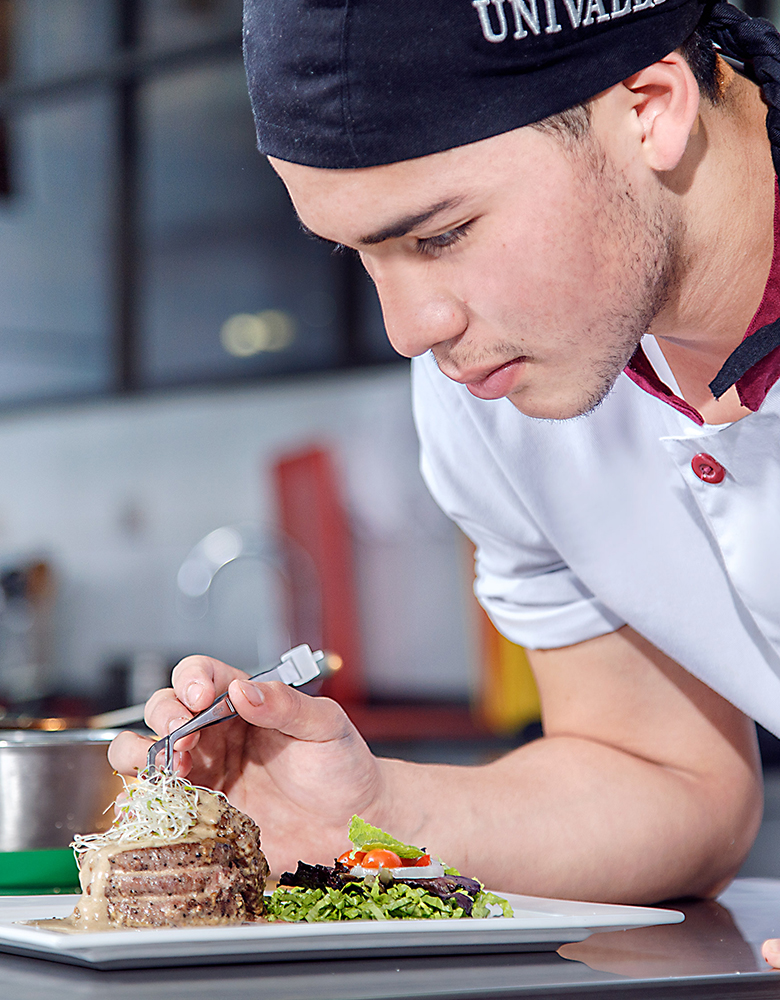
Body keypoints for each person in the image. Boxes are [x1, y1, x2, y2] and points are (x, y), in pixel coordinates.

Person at [110, 0, 780, 958]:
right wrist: (373, 817)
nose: (409, 330)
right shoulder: (494, 396)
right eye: (363, 257)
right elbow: (670, 778)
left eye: (438, 237)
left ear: (651, 108)